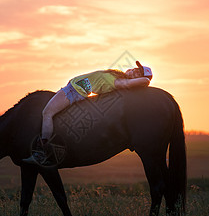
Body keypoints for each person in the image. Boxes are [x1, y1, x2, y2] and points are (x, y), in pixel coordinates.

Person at [23, 61, 153, 166]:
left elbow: (139, 83)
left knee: (47, 113)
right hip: (72, 88)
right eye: (136, 69)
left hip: (73, 92)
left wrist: (145, 80)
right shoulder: (117, 75)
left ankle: (41, 152)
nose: (134, 71)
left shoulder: (119, 82)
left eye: (138, 74)